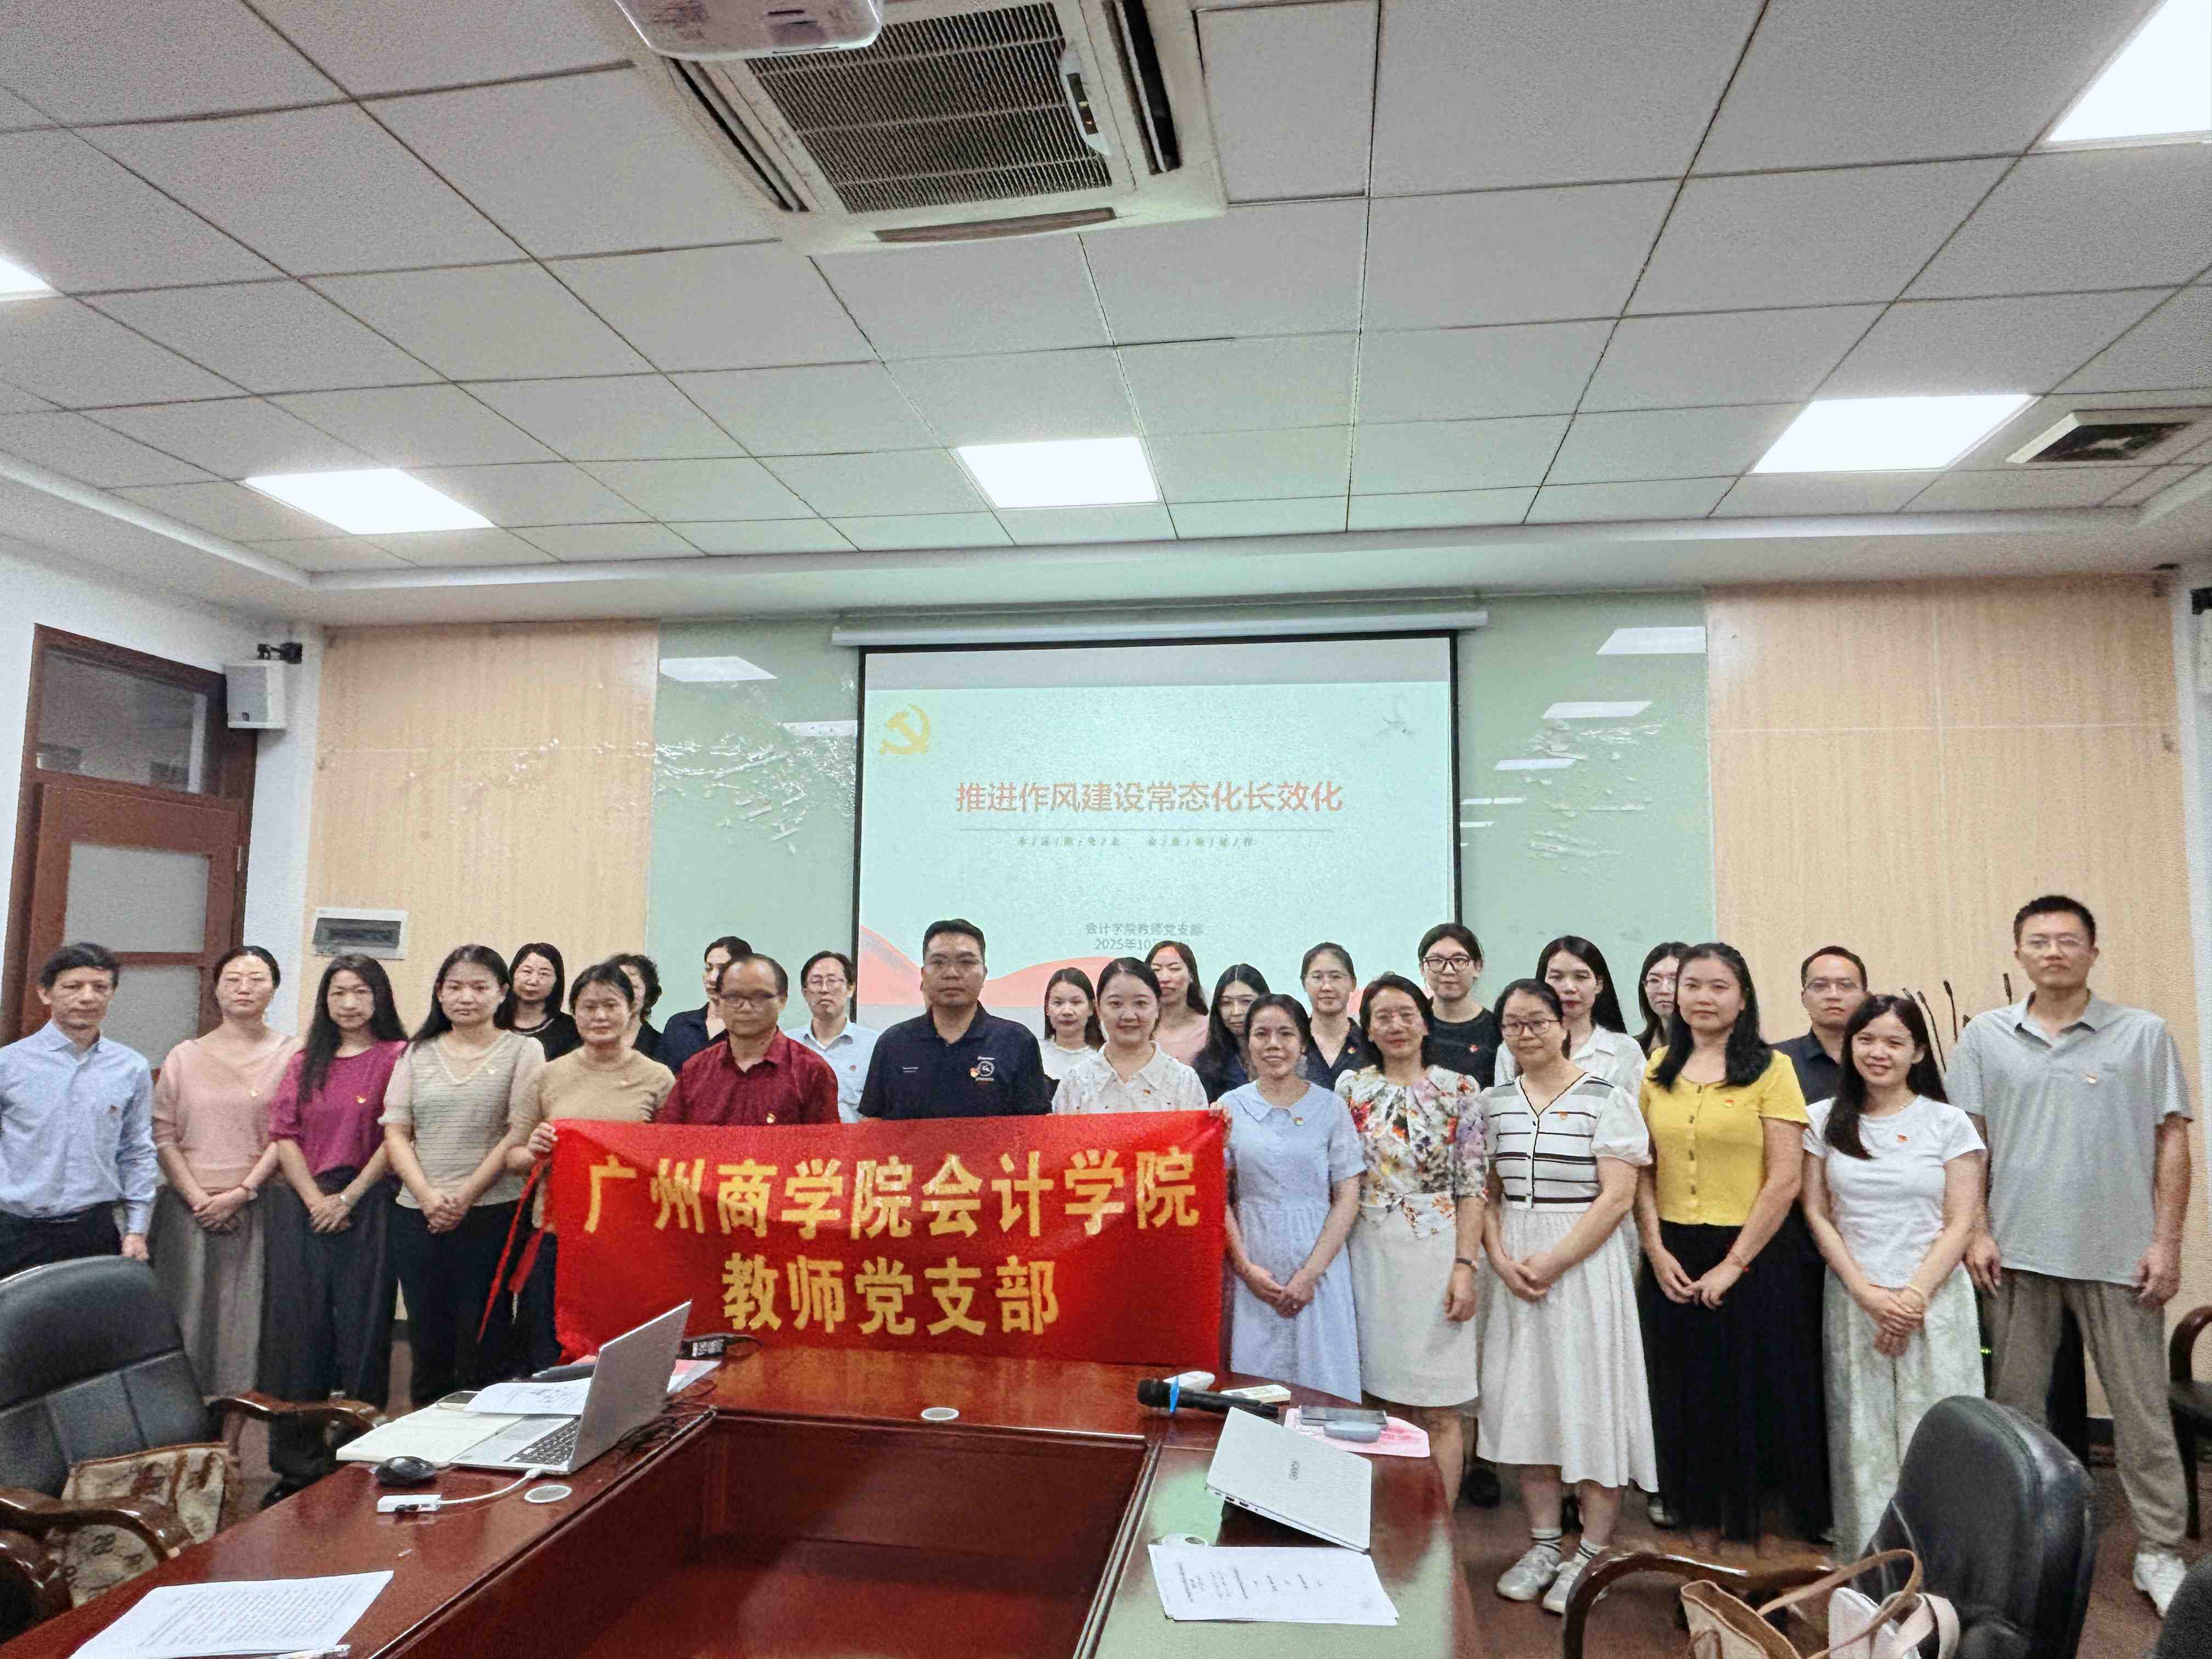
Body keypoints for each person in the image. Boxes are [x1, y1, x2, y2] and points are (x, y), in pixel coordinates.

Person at [1953, 895, 2194, 1617]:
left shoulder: (2143, 1033)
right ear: (2018, 953)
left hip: (2121, 1256)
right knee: (2015, 1411)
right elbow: (1968, 1145)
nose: (2054, 951)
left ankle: (2159, 1551)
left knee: (2143, 1416)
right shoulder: (1986, 1036)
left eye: (2068, 940)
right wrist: (1976, 1230)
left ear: (2093, 951)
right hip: (2016, 1254)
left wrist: (2167, 1242)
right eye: (2039, 941)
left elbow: (2172, 1141)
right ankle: (2018, 1541)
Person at [1635, 943, 1826, 1542]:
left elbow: (1786, 1178)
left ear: (1743, 999)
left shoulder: (1773, 1069)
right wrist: (1655, 1249)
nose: (1703, 998)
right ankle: (1691, 1526)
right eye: (1692, 985)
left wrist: (1733, 1264)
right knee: (1681, 1391)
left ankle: (1745, 1546)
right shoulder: (1656, 1068)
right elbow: (1642, 1167)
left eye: (1719, 986)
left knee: (1742, 1397)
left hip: (1753, 1253)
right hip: (1672, 1251)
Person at [1480, 979, 1656, 1616]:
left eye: (1536, 1022)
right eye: (1512, 1025)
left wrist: (1556, 1259)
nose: (1525, 1035)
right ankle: (1544, 1544)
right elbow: (1486, 1194)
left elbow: (1618, 1196)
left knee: (1590, 1402)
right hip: (1515, 1261)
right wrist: (1500, 1258)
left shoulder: (1606, 1098)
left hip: (1583, 1262)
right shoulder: (1492, 1104)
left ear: (1564, 1025)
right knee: (1531, 1404)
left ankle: (1592, 1553)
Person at [1801, 994, 1983, 1557]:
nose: (1879, 1052)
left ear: (1918, 1052)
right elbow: (1817, 1212)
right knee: (1864, 1436)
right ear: (1850, 1047)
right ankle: (1870, 1563)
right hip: (1856, 1298)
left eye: (1894, 1042)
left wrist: (1912, 1298)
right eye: (1867, 1040)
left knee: (1939, 1433)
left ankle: (1943, 1565)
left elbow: (1962, 1220)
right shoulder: (1822, 1119)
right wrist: (1866, 1293)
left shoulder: (1949, 1123)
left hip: (1935, 1300)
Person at [261, 953, 407, 1492]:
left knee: (363, 1331)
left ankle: (355, 1457)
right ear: (325, 1001)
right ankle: (297, 1463)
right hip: (307, 1203)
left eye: (361, 992)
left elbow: (397, 1136)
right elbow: (285, 1135)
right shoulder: (306, 1061)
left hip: (369, 1203)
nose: (349, 1003)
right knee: (301, 1333)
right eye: (338, 993)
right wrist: (316, 1201)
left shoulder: (398, 1056)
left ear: (380, 997)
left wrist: (347, 1198)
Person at [1337, 972, 1486, 1498]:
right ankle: (1390, 1522)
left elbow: (1474, 1187)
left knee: (1440, 1408)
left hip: (1439, 1253)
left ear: (1425, 1023)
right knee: (1382, 1405)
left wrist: (1465, 1267)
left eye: (1406, 1014)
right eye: (1383, 1017)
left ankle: (1440, 1527)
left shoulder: (1460, 1090)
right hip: (1370, 1254)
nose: (1396, 1025)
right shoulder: (1351, 1090)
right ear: (1368, 1029)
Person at [381, 944, 544, 1406]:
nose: (466, 997)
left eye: (479, 987)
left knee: (485, 1336)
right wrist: (427, 1196)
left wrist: (465, 1196)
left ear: (502, 993)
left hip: (492, 1213)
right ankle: (428, 1433)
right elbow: (396, 1132)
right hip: (418, 1214)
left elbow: (518, 1133)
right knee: (427, 1337)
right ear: (439, 992)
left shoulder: (524, 1050)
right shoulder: (417, 1052)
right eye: (454, 987)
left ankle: (484, 1441)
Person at [507, 961, 674, 1368]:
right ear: (574, 1012)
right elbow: (513, 1157)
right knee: (548, 1358)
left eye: (611, 1005)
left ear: (631, 1009)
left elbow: (674, 1164)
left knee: (618, 1359)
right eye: (589, 1007)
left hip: (626, 1242)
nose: (600, 1016)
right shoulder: (548, 1076)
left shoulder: (658, 1078)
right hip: (557, 1239)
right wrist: (535, 1150)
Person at [148, 945, 297, 1396]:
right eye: (233, 980)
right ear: (216, 990)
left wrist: (242, 1192)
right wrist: (199, 1198)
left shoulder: (295, 1054)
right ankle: (183, 1425)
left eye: (257, 979)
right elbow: (163, 1135)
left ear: (274, 989)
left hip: (263, 1206)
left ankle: (240, 1430)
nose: (244, 989)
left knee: (247, 1326)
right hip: (187, 1210)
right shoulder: (184, 1055)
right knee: (183, 1321)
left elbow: (289, 1135)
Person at [1219, 994, 1361, 1400]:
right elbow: (1217, 1194)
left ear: (1303, 1043)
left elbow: (1347, 1195)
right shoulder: (1229, 1108)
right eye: (1261, 1034)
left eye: (1285, 1034)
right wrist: (1245, 1267)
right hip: (1253, 1261)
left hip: (1319, 1263)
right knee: (1254, 1392)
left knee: (1323, 1388)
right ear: (1248, 1042)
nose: (1274, 1045)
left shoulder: (1331, 1108)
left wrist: (1309, 1275)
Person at [0, 943, 155, 1276]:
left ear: (112, 995)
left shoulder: (131, 1068)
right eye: (73, 987)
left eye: (100, 988)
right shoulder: (9, 1065)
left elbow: (137, 1151)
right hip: (14, 1230)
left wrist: (137, 1229)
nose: (87, 998)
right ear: (45, 993)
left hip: (92, 1230)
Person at [857, 920, 1051, 1120]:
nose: (952, 973)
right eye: (938, 962)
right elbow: (872, 1121)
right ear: (924, 975)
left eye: (966, 962)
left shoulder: (1016, 1042)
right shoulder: (893, 1043)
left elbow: (1034, 1125)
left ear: (984, 974)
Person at [662, 954, 838, 1126]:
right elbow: (669, 1140)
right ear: (720, 1001)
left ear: (782, 1000)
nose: (745, 1008)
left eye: (759, 997)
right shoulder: (695, 1071)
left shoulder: (812, 1072)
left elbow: (826, 1144)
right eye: (733, 997)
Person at [1497, 936, 1644, 1097]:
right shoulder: (1514, 1045)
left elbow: (1633, 1111)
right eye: (1557, 977)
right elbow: (1501, 1107)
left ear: (1599, 984)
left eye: (1581, 977)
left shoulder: (1625, 1050)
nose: (1569, 988)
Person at [1057, 958, 1208, 1114]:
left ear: (1158, 1008)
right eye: (1116, 1004)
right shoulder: (1076, 1082)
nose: (1129, 1015)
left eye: (1141, 1003)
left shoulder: (1184, 1082)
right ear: (1098, 1009)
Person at [789, 950, 877, 1124]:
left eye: (832, 981)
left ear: (850, 989)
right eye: (816, 982)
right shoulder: (786, 1045)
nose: (824, 989)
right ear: (805, 993)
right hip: (801, 1140)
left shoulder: (875, 1045)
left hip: (856, 1140)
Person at [1775, 946, 1870, 1106]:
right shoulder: (1773, 1061)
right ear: (1804, 998)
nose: (1833, 995)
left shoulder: (1882, 1059)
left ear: (1865, 998)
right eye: (1820, 986)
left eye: (1846, 985)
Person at [1418, 923, 1499, 1086]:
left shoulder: (1497, 1029)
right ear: (1422, 968)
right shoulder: (1410, 1026)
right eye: (1436, 961)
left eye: (1459, 960)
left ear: (1478, 966)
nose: (1448, 970)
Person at [657, 935, 751, 1074]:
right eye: (708, 968)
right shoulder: (679, 1025)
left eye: (723, 969)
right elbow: (661, 1080)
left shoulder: (753, 1032)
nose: (712, 978)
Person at [1300, 944, 1373, 1093]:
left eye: (1336, 977)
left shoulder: (1372, 1045)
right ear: (1304, 984)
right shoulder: (1291, 1045)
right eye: (1317, 977)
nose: (1327, 987)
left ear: (1353, 983)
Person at [1194, 964, 1269, 1102]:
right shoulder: (1207, 1065)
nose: (1236, 1012)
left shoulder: (1284, 1055)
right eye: (1226, 1003)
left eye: (1246, 1001)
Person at [501, 943, 578, 1061]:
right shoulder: (489, 1022)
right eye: (527, 971)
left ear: (557, 981)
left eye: (544, 974)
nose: (533, 981)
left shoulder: (572, 1030)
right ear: (513, 974)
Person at [1038, 967, 1102, 1093]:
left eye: (1076, 1002)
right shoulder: (1033, 1053)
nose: (1067, 1011)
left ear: (1092, 1008)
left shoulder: (1105, 1057)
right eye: (1058, 1003)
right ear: (1047, 1008)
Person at [1147, 940, 1209, 1066]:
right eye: (1156, 970)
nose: (1164, 978)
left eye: (1174, 969)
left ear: (1191, 975)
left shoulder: (1210, 1030)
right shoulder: (1138, 1027)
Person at [1634, 941, 1689, 1057]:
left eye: (1675, 980)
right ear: (1644, 987)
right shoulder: (1633, 1049)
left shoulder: (1714, 1050)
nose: (1664, 990)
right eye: (1654, 980)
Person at [611, 952, 665, 1059]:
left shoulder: (660, 1046)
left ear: (648, 994)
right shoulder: (588, 1038)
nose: (627, 993)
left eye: (634, 987)